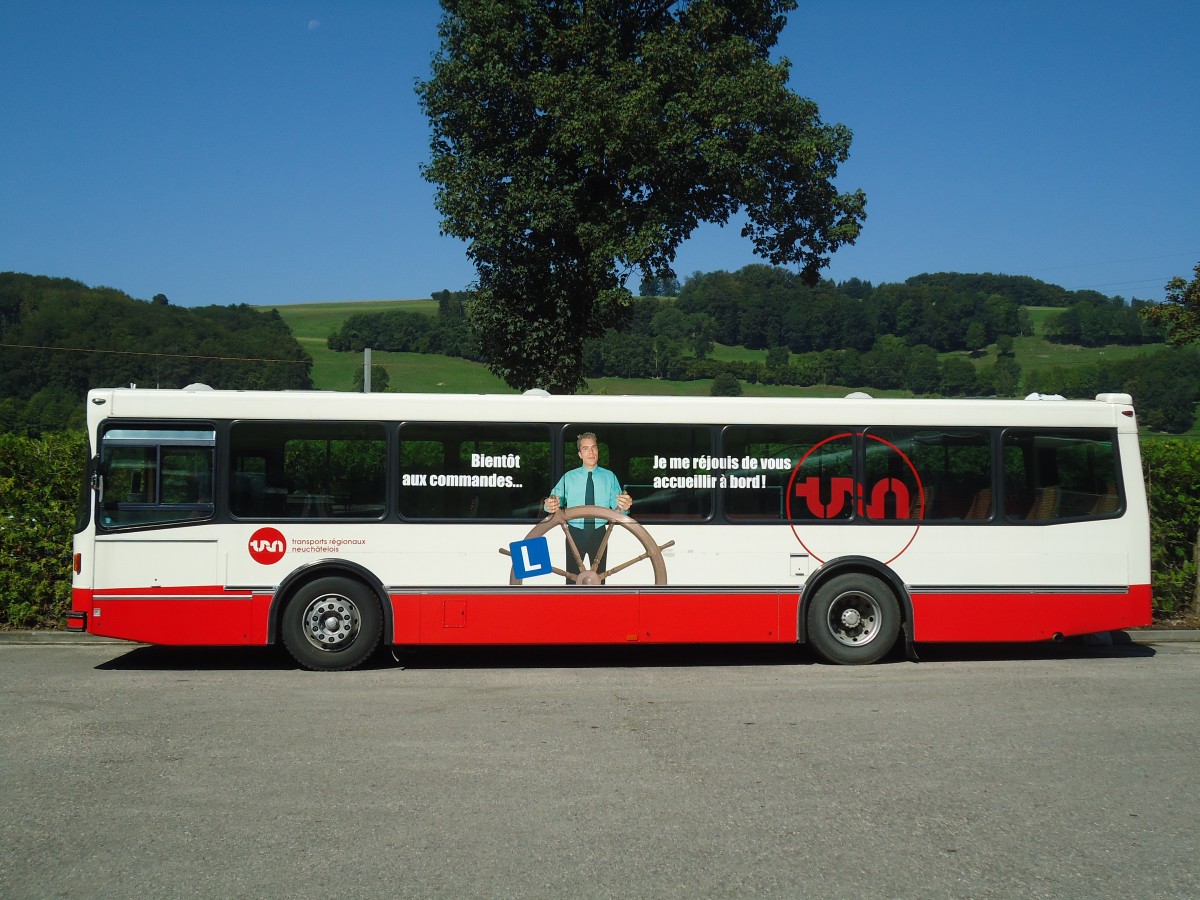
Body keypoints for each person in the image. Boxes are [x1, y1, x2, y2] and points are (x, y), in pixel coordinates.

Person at [544, 432, 633, 580]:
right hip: (574, 534)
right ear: (580, 454)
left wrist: (625, 504)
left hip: (600, 534)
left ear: (598, 450)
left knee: (599, 580)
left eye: (593, 447)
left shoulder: (609, 477)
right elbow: (553, 501)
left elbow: (619, 508)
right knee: (572, 580)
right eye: (585, 448)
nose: (591, 452)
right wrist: (550, 504)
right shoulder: (568, 477)